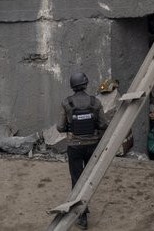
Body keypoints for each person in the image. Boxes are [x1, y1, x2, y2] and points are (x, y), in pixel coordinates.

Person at [56, 72, 108, 230]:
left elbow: (60, 127)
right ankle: (85, 206)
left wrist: (71, 126)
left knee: (77, 180)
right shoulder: (95, 102)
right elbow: (103, 125)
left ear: (72, 86)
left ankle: (82, 216)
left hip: (75, 147)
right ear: (86, 84)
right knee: (90, 178)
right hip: (92, 145)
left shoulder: (66, 103)